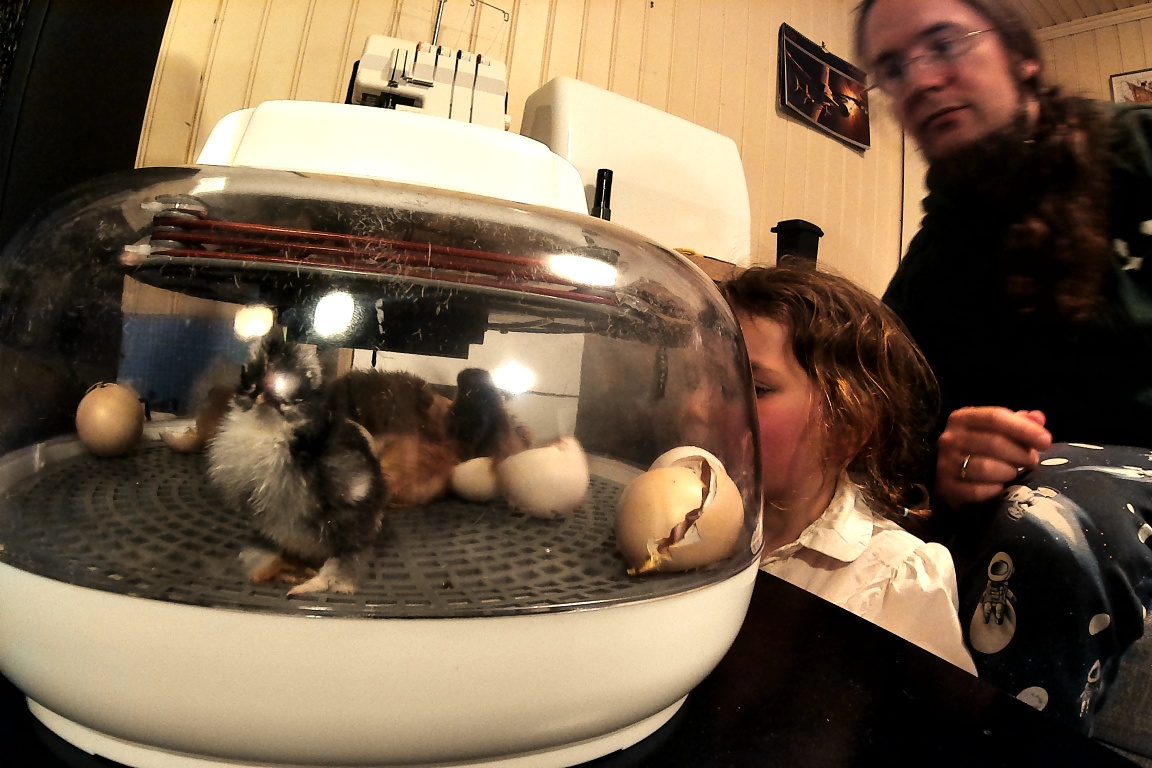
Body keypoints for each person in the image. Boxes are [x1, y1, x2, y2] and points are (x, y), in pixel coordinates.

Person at [856, 0, 1152, 731]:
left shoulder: (1139, 152)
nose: (920, 80)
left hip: (1095, 495)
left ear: (1023, 56)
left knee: (1042, 526)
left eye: (943, 44)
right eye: (893, 68)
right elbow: (893, 427)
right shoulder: (935, 267)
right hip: (1038, 492)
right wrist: (947, 463)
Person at [721, 264, 976, 674]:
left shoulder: (895, 577)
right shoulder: (688, 528)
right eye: (710, 379)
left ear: (847, 427)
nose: (701, 407)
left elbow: (932, 712)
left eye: (757, 388)